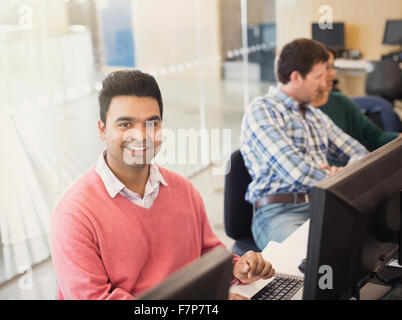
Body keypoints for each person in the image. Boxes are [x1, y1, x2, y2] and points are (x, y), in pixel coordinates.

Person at [50, 70, 274, 300]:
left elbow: (207, 255)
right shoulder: (73, 215)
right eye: (125, 124)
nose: (140, 135)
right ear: (102, 129)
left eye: (151, 123)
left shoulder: (184, 190)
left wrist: (237, 269)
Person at [240, 38, 369, 251]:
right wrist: (337, 178)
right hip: (280, 211)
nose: (323, 83)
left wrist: (341, 173)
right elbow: (297, 172)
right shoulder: (263, 110)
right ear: (296, 77)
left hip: (324, 204)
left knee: (367, 244)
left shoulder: (315, 115)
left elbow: (359, 154)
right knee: (314, 258)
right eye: (318, 77)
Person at [311, 48, 401, 157]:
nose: (333, 73)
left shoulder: (341, 101)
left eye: (333, 67)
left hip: (351, 168)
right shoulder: (300, 112)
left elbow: (376, 138)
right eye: (326, 68)